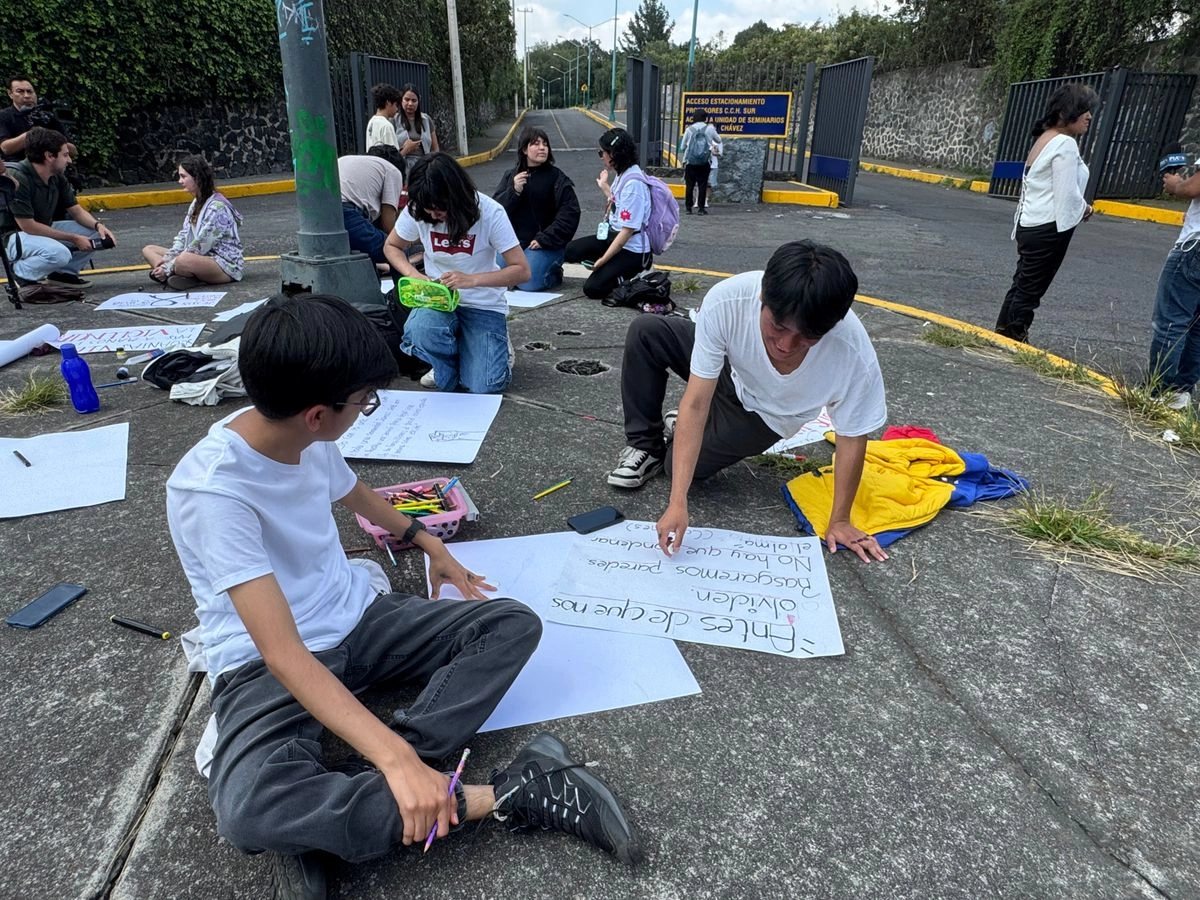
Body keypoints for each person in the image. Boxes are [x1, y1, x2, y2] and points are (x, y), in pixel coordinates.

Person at [166, 294, 643, 899]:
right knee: (248, 812)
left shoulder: (304, 432)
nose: (367, 410)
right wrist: (394, 759)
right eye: (365, 402)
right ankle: (509, 792)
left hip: (357, 619)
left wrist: (427, 543)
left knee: (510, 624)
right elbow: (285, 654)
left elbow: (352, 490)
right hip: (268, 666)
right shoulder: (214, 495)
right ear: (317, 414)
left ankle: (345, 812)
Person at [608, 240, 889, 564]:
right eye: (778, 326)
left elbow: (852, 436)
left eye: (807, 337)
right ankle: (645, 445)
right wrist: (677, 503)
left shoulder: (852, 353)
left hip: (767, 414)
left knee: (680, 467)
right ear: (761, 298)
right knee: (647, 331)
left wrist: (840, 520)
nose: (786, 344)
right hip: (732, 369)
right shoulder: (729, 299)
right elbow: (697, 401)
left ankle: (693, 432)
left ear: (832, 325)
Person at [384, 153, 529, 393]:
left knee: (485, 385)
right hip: (439, 300)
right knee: (419, 330)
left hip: (481, 304)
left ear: (455, 196)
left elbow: (522, 270)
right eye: (428, 211)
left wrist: (471, 280)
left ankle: (494, 345)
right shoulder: (418, 209)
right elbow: (392, 246)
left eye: (439, 210)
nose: (433, 216)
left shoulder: (490, 213)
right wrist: (413, 274)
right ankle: (446, 365)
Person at [995, 83, 1098, 342]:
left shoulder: (1045, 138)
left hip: (1029, 224)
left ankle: (1002, 334)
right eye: (1084, 110)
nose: (1089, 116)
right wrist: (1085, 208)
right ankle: (1015, 338)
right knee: (1030, 289)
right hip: (1047, 228)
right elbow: (1066, 193)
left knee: (1022, 283)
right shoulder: (1064, 144)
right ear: (1067, 113)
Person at [0, 127, 114, 289]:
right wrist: (74, 238)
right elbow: (28, 226)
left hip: (41, 229)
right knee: (59, 253)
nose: (70, 161)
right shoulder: (19, 176)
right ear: (49, 156)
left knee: (94, 233)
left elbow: (76, 210)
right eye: (65, 155)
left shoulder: (56, 176)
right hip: (14, 237)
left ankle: (63, 275)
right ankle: (21, 273)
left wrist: (99, 226)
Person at [564, 127, 653, 300]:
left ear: (613, 154)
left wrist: (602, 261)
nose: (601, 157)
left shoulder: (634, 185)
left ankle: (634, 273)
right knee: (571, 250)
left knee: (593, 288)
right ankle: (613, 267)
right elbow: (619, 204)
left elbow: (626, 233)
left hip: (632, 250)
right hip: (613, 237)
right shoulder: (624, 174)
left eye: (602, 153)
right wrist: (605, 186)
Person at [492, 126, 580, 291]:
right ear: (525, 149)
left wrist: (544, 238)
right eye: (536, 144)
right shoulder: (511, 175)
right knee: (496, 276)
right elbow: (495, 211)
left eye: (545, 144)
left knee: (528, 283)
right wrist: (514, 191)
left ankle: (554, 274)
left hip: (545, 243)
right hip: (515, 244)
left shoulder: (557, 178)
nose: (542, 148)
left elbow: (570, 214)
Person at [1147, 146, 1200, 411]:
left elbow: (1195, 188)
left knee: (1171, 321)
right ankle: (1182, 391)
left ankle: (1160, 391)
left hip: (1195, 246)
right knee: (1197, 326)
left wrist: (1177, 184)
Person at [142, 155, 243, 290]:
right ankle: (181, 276)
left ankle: (182, 276)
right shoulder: (197, 202)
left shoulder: (217, 207)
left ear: (197, 178)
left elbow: (201, 245)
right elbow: (184, 234)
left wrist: (168, 266)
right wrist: (170, 258)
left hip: (224, 264)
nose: (180, 181)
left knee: (183, 260)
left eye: (183, 177)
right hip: (198, 256)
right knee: (149, 250)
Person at [337, 147, 405, 275]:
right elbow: (388, 226)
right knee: (396, 250)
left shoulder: (350, 161)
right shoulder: (393, 170)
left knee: (367, 248)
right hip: (345, 213)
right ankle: (400, 294)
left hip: (317, 217)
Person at [0, 75, 74, 164]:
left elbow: (73, 151)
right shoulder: (4, 116)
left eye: (30, 91)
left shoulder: (47, 117)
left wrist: (51, 137)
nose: (26, 95)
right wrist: (34, 134)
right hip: (17, 167)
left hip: (48, 167)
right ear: (10, 94)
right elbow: (6, 148)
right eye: (20, 91)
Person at [679, 110, 719, 215]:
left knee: (690, 185)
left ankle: (688, 208)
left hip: (690, 162)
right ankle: (701, 209)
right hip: (704, 162)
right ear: (705, 118)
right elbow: (718, 140)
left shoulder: (689, 129)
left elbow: (682, 147)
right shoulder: (710, 128)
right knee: (702, 185)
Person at [395, 85, 439, 160]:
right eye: (407, 99)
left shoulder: (426, 119)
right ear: (401, 100)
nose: (410, 104)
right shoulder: (394, 120)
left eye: (414, 100)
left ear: (418, 101)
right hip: (402, 165)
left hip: (424, 164)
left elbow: (435, 149)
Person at [365, 83, 402, 151]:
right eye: (396, 105)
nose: (397, 109)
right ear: (388, 102)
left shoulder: (371, 122)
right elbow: (393, 156)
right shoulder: (386, 126)